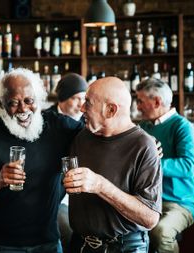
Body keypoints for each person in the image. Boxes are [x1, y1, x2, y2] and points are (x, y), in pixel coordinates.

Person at [0, 68, 83, 253]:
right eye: (13, 103)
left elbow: (94, 137)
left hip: (48, 243)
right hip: (1, 245)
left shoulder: (59, 126)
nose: (23, 109)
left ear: (38, 99)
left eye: (29, 101)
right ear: (1, 104)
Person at [63, 77, 163, 253]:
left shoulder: (144, 146)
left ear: (111, 110)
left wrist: (100, 185)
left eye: (88, 102)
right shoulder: (82, 136)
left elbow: (150, 218)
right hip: (79, 244)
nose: (81, 108)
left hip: (124, 247)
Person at [136, 78, 194, 253]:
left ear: (157, 101)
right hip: (148, 199)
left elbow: (188, 167)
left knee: (161, 232)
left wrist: (151, 164)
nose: (138, 107)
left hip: (179, 203)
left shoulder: (182, 126)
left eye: (140, 101)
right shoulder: (143, 127)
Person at [46, 73, 88, 253]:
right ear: (62, 98)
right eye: (75, 98)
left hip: (84, 188)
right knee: (68, 231)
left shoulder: (89, 120)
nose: (81, 104)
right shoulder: (45, 120)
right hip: (56, 192)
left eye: (84, 98)